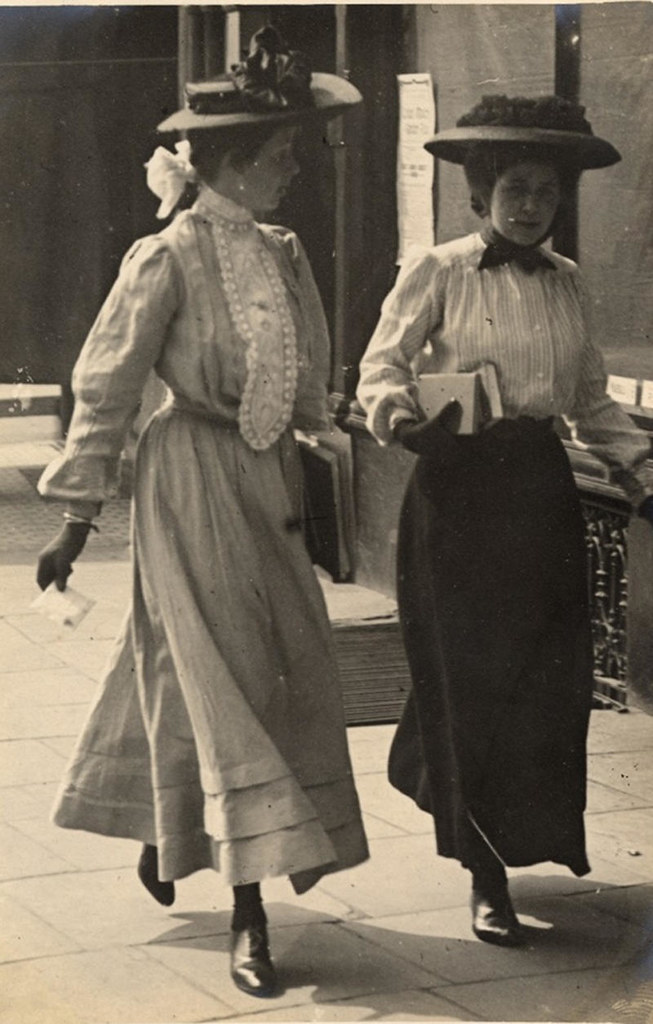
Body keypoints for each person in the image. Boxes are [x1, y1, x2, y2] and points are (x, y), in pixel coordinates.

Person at [36, 26, 368, 998]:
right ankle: (249, 910)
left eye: (295, 151)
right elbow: (105, 387)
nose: (292, 169)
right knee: (226, 680)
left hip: (267, 488)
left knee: (266, 663)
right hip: (185, 485)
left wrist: (353, 437)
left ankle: (166, 823)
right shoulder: (167, 256)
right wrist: (75, 517)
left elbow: (306, 377)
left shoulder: (284, 250)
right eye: (278, 155)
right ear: (224, 162)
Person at [357, 94, 653, 948]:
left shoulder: (565, 283)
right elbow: (381, 365)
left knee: (545, 687)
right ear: (481, 193)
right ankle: (484, 876)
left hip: (539, 492)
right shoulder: (439, 269)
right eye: (515, 189)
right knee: (472, 683)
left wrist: (637, 476)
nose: (530, 206)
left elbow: (591, 400)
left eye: (546, 193)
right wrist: (396, 417)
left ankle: (526, 841)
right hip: (455, 494)